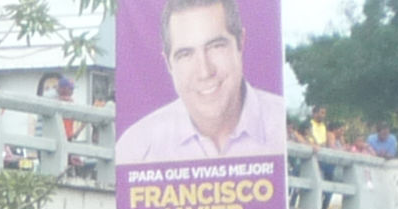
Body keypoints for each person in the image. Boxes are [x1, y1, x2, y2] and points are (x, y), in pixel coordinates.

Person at [115, 0, 286, 163]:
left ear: (241, 42)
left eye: (216, 46)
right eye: (186, 54)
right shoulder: (138, 148)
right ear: (168, 64)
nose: (204, 71)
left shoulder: (283, 128)